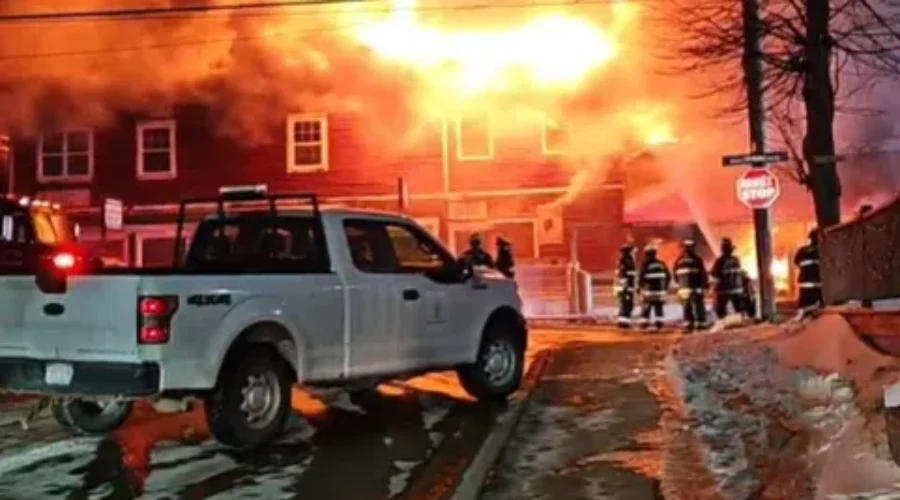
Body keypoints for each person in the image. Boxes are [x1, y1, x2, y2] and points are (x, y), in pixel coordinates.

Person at [673, 239, 709, 331]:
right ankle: (701, 324)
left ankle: (688, 325)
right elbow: (702, 274)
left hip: (683, 289)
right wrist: (705, 285)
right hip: (695, 288)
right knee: (698, 305)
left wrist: (680, 285)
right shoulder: (697, 259)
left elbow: (675, 275)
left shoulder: (679, 260)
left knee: (686, 307)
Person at [637, 244, 671, 330]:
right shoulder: (661, 264)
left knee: (646, 308)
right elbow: (668, 277)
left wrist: (639, 288)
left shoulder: (645, 264)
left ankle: (644, 325)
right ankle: (659, 324)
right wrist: (665, 288)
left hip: (648, 291)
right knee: (658, 307)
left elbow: (641, 277)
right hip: (660, 292)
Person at [710, 238, 745, 319]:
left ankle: (722, 322)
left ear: (722, 250)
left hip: (724, 290)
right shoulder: (736, 260)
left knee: (721, 310)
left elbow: (714, 274)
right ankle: (740, 321)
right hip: (736, 289)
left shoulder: (720, 261)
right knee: (739, 309)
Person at [794, 228, 823, 313]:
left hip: (805, 285)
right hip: (818, 286)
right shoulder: (822, 250)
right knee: (818, 310)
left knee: (804, 307)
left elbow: (796, 262)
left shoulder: (802, 251)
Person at [614, 242, 638, 328]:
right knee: (627, 304)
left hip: (626, 286)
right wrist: (627, 287)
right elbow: (625, 275)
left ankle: (624, 322)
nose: (634, 253)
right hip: (626, 286)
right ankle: (624, 323)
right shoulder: (626, 260)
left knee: (626, 304)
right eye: (633, 251)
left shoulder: (624, 259)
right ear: (629, 251)